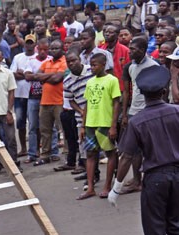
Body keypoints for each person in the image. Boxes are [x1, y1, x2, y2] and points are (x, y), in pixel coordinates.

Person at [109, 65, 179, 235]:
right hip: (177, 174)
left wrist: (116, 186)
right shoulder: (176, 112)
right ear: (163, 91)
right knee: (176, 227)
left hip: (156, 177)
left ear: (142, 94)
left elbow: (127, 156)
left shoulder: (138, 121)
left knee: (155, 230)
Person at [78, 53, 121, 200]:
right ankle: (90, 187)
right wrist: (83, 126)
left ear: (103, 65)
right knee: (90, 154)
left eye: (95, 65)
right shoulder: (90, 82)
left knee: (110, 153)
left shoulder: (112, 80)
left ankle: (107, 185)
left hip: (105, 123)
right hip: (91, 123)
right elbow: (87, 104)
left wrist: (113, 125)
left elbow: (116, 103)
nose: (92, 67)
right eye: (91, 64)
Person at [121, 37, 159, 193]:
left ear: (143, 50)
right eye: (130, 48)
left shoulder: (153, 66)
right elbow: (127, 91)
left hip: (148, 110)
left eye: (134, 49)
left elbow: (159, 91)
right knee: (134, 149)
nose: (130, 51)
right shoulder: (130, 67)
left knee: (151, 148)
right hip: (134, 112)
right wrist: (125, 114)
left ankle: (149, 179)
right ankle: (137, 180)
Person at [30, 39, 65, 165]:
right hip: (45, 101)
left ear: (62, 50)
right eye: (53, 48)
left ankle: (68, 154)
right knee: (45, 130)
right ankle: (45, 154)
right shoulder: (46, 62)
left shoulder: (64, 62)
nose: (54, 50)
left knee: (63, 129)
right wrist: (50, 76)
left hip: (59, 101)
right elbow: (35, 76)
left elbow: (57, 79)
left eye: (57, 48)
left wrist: (45, 77)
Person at [62, 50, 94, 174]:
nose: (71, 63)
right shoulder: (67, 80)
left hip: (99, 115)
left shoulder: (91, 71)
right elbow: (71, 101)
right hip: (81, 118)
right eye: (68, 62)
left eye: (74, 60)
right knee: (84, 149)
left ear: (79, 60)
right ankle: (89, 174)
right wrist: (81, 111)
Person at [10, 35, 37, 157]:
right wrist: (27, 75)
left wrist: (23, 73)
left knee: (34, 123)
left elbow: (35, 75)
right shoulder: (17, 57)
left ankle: (35, 148)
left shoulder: (37, 57)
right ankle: (24, 148)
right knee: (20, 123)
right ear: (24, 44)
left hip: (33, 95)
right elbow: (12, 74)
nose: (29, 45)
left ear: (34, 44)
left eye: (31, 43)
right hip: (19, 94)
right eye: (27, 43)